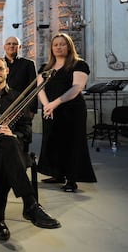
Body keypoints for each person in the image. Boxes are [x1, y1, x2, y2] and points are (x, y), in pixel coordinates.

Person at [0, 57, 61, 241]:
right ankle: (30, 204)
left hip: (12, 149)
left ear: (6, 71)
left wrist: (13, 134)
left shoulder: (18, 98)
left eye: (0, 69)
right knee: (6, 149)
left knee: (7, 146)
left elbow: (26, 131)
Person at [37, 33, 97, 192]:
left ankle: (72, 179)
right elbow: (39, 89)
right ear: (51, 48)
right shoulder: (45, 68)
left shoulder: (79, 64)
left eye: (62, 44)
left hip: (71, 111)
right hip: (50, 110)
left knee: (71, 144)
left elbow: (76, 88)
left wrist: (54, 104)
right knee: (52, 141)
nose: (58, 47)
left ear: (69, 46)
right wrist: (46, 106)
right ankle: (57, 174)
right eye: (55, 44)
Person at [3, 36, 37, 152]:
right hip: (3, 108)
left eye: (14, 44)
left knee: (23, 141)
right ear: (4, 47)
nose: (11, 46)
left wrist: (32, 109)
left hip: (23, 109)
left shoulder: (28, 64)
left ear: (19, 47)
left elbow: (34, 88)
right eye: (9, 44)